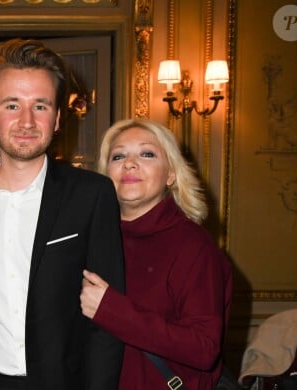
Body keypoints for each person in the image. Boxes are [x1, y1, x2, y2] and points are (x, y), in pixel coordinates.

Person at [0, 38, 125, 390]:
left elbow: (107, 320)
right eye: (12, 105)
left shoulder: (91, 195)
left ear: (57, 118)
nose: (27, 120)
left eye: (40, 106)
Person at [80, 118, 233, 389]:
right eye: (118, 156)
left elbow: (204, 348)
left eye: (147, 154)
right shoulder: (90, 241)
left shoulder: (192, 245)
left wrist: (110, 309)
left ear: (171, 174)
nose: (129, 163)